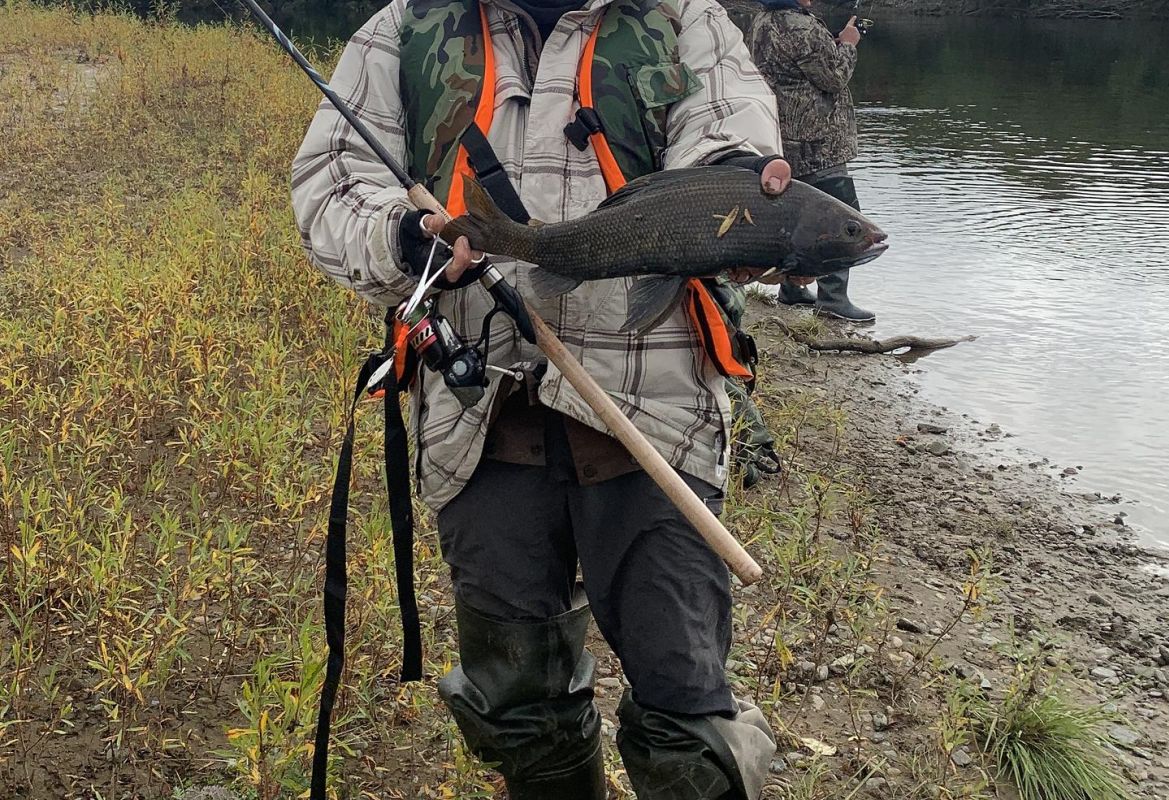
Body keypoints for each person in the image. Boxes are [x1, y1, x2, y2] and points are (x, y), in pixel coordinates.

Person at [291, 0, 808, 796]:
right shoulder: (404, 28)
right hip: (477, 433)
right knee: (521, 716)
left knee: (694, 736)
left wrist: (749, 206)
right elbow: (328, 188)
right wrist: (402, 237)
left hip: (655, 428)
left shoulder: (685, 19)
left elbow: (731, 143)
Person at [724, 0, 876, 322]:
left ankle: (792, 290)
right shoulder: (801, 26)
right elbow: (835, 76)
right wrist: (848, 44)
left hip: (783, 139)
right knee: (843, 218)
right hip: (820, 142)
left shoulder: (763, 21)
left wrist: (829, 45)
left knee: (796, 216)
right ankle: (833, 299)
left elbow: (798, 63)